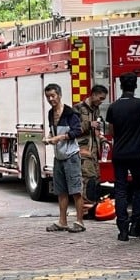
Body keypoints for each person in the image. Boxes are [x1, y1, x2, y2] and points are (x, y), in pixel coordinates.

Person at [105, 72, 140, 241]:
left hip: (119, 153)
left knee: (120, 190)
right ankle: (137, 224)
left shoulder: (113, 107)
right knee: (139, 189)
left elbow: (111, 131)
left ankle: (123, 230)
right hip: (136, 154)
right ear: (135, 86)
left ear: (121, 86)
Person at [43, 83, 85, 233]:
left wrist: (59, 138)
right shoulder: (50, 113)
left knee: (75, 190)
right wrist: (48, 138)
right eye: (48, 97)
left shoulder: (70, 113)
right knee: (61, 190)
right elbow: (52, 131)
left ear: (59, 95)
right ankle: (63, 222)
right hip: (58, 156)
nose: (51, 99)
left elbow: (77, 131)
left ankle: (79, 222)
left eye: (53, 96)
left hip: (71, 156)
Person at [75, 84, 108, 219]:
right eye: (100, 98)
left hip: (94, 152)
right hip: (83, 151)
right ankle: (84, 212)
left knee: (95, 180)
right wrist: (89, 124)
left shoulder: (96, 110)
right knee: (87, 180)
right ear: (93, 94)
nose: (101, 101)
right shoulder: (78, 109)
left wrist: (103, 140)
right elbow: (73, 129)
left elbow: (97, 131)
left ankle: (92, 209)